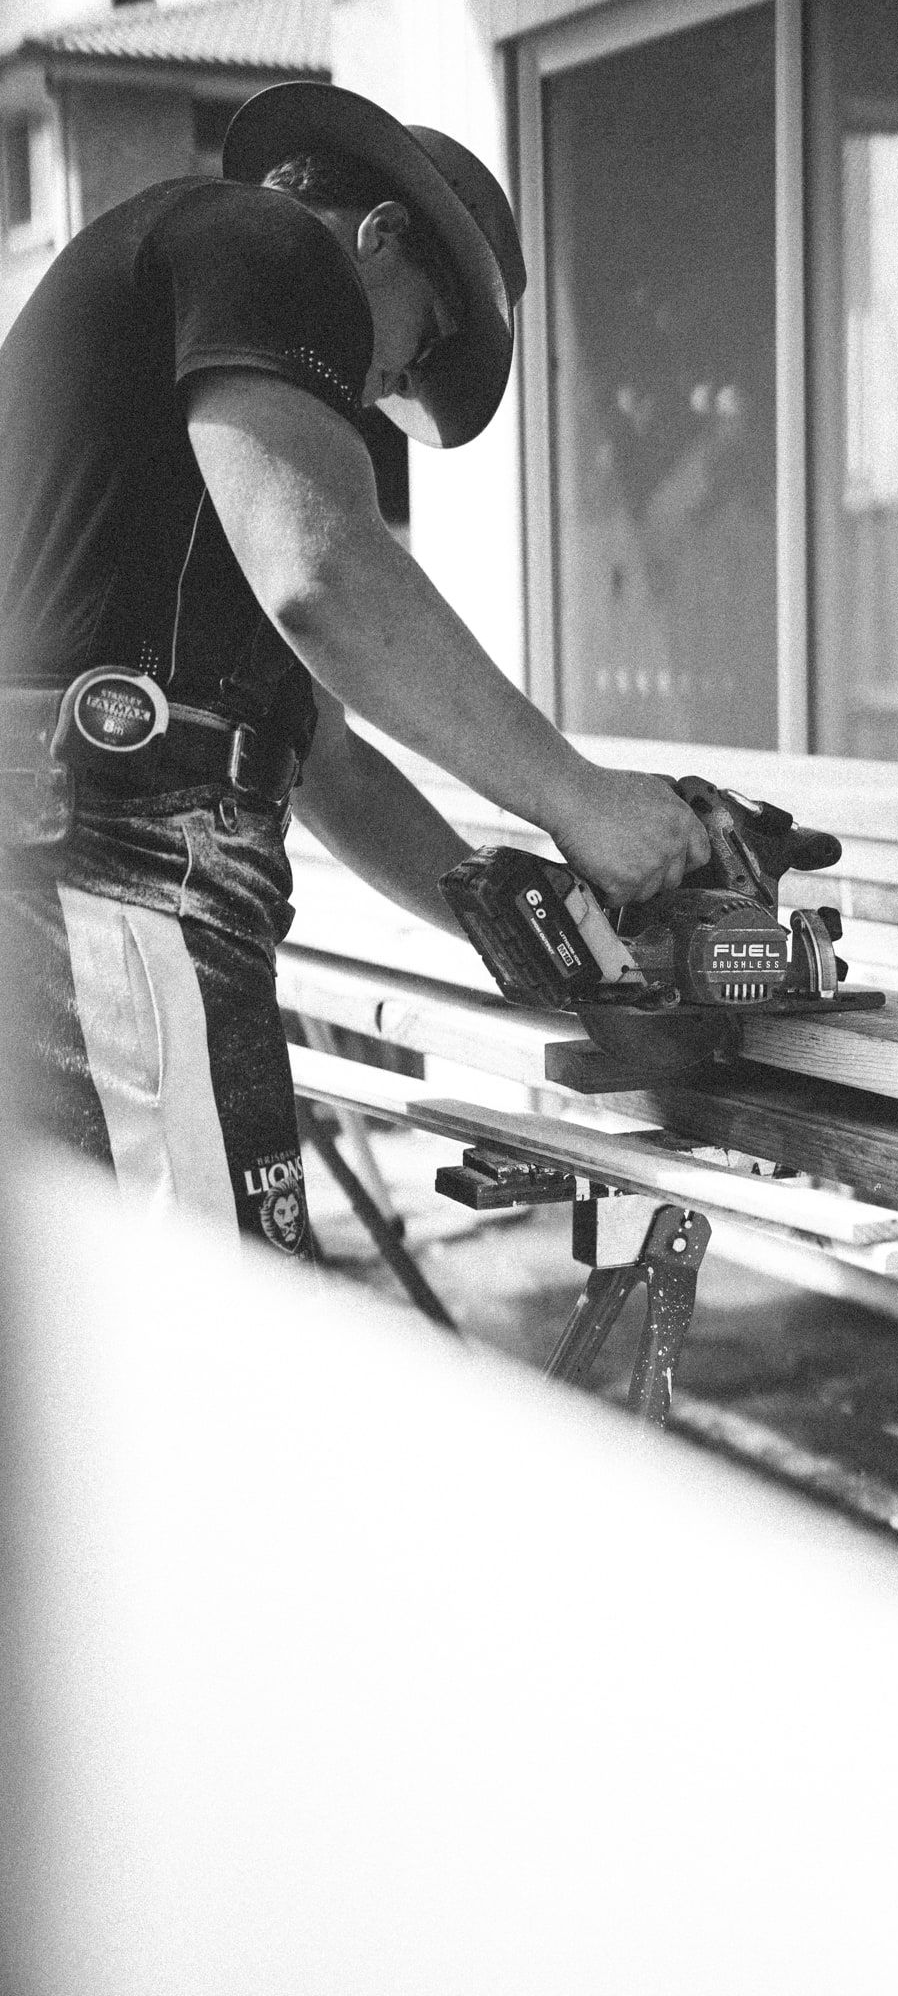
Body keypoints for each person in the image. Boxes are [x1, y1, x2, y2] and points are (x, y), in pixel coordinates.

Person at [0, 81, 708, 1258]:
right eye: (420, 342)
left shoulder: (175, 397)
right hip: (112, 855)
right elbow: (322, 576)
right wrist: (583, 798)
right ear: (379, 234)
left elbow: (324, 758)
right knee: (216, 1321)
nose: (387, 391)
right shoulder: (265, 240)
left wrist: (540, 926)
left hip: (72, 843)